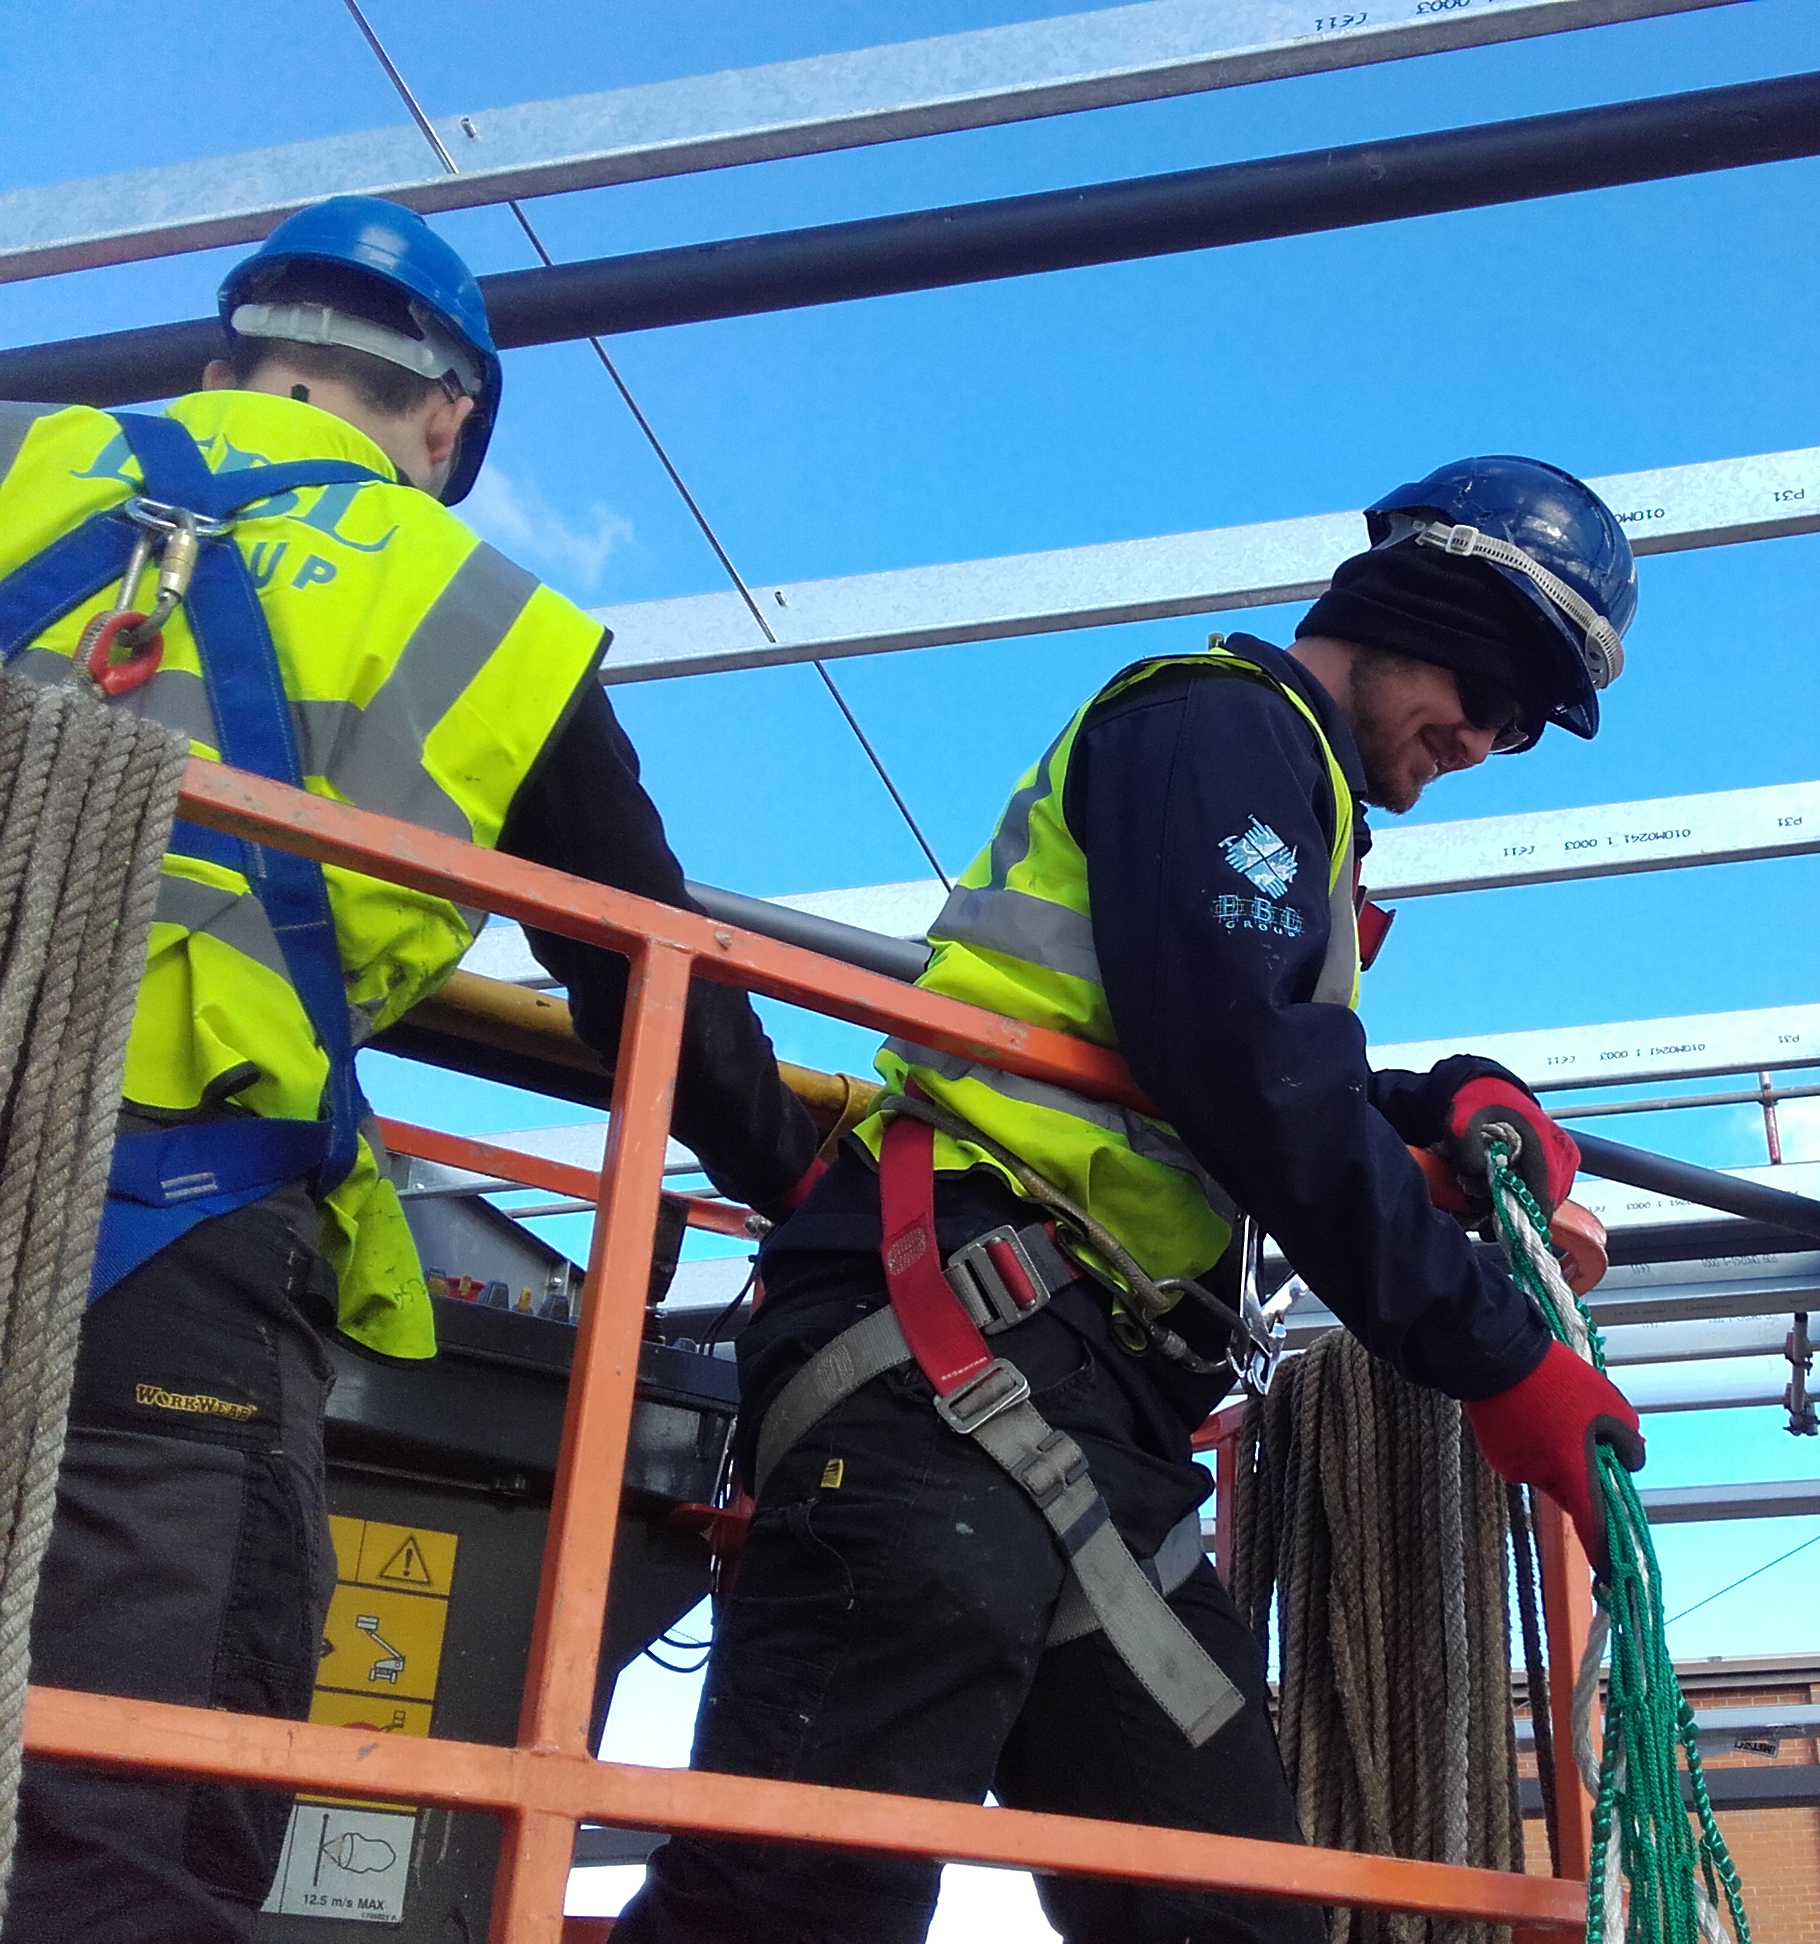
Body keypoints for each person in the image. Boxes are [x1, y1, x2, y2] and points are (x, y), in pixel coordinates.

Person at [613, 456, 1649, 1944]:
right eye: (1488, 688)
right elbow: (1247, 1069)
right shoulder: (1214, 726)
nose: (1483, 740)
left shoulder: (1285, 796)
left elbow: (1236, 1054)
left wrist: (1436, 1103)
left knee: (1235, 1916)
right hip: (948, 1327)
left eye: (1523, 724)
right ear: (1416, 609)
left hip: (1089, 1396)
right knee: (800, 1899)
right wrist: (1494, 1351)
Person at [0, 196, 819, 1943]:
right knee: (126, 1818)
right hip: (164, 1235)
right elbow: (648, 978)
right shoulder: (480, 615)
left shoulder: (22, 459)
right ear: (449, 418)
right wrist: (808, 1193)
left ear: (227, 356)